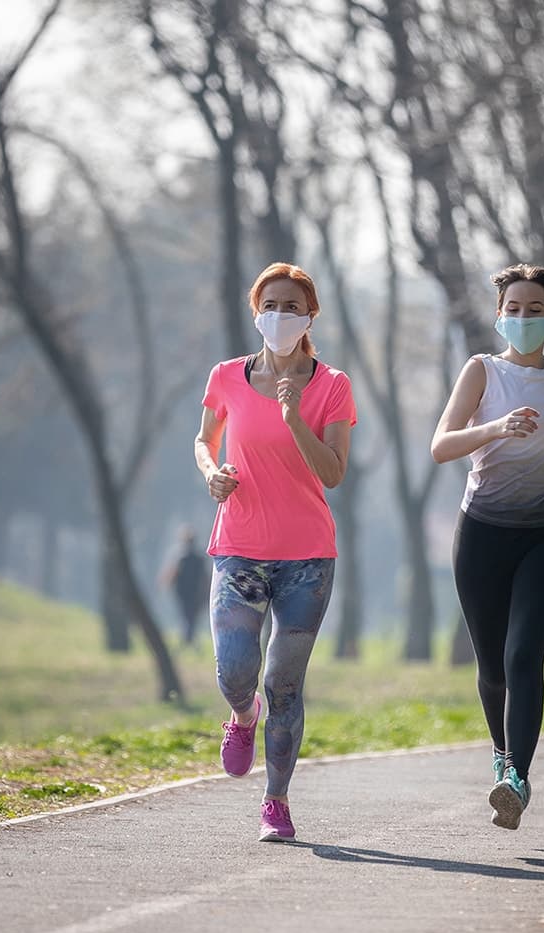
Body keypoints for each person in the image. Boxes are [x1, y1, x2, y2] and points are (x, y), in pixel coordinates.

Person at [430, 263, 544, 830]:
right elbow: (441, 446)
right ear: (499, 315)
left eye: (536, 310)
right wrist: (496, 428)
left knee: (523, 656)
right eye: (514, 309)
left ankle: (516, 780)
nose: (524, 318)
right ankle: (502, 754)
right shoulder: (481, 371)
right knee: (492, 668)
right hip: (481, 534)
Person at [194, 262, 356, 842]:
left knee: (284, 681)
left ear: (311, 315)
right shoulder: (227, 377)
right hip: (239, 548)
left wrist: (293, 416)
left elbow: (333, 473)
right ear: (255, 309)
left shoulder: (331, 384)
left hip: (307, 557)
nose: (281, 315)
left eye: (293, 306)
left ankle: (276, 801)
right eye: (271, 304)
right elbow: (204, 439)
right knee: (235, 670)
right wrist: (213, 472)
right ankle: (241, 717)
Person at [159, 526, 210, 648]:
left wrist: (165, 584)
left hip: (182, 593)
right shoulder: (199, 558)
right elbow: (205, 577)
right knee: (191, 617)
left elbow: (172, 573)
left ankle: (188, 640)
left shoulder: (179, 557)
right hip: (195, 593)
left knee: (186, 616)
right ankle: (189, 640)